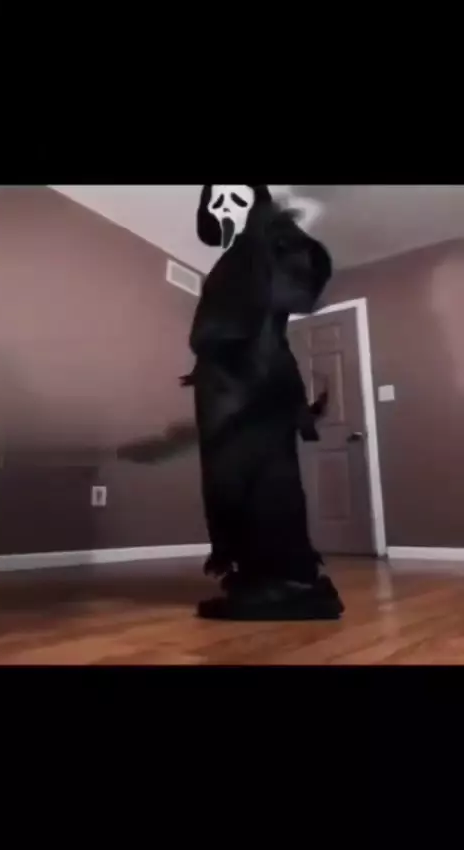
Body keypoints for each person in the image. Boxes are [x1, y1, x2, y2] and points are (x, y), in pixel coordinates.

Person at [183, 185, 345, 620]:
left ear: (258, 204)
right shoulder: (236, 257)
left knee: (265, 478)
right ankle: (259, 577)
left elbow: (300, 282)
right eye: (216, 200)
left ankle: (289, 584)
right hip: (228, 387)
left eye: (236, 197)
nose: (224, 208)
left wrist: (280, 226)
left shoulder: (267, 246)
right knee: (233, 480)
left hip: (253, 384)